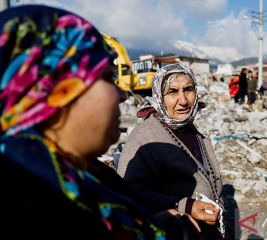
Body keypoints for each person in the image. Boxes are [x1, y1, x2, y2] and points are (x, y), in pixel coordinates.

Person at [0, 5, 199, 239]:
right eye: (106, 77)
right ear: (56, 90)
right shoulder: (34, 200)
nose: (122, 94)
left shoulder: (89, 175)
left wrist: (157, 224)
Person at [117, 63, 224, 239]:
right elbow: (130, 193)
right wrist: (185, 206)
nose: (183, 100)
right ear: (159, 97)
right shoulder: (144, 137)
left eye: (188, 89)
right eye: (173, 92)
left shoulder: (192, 131)